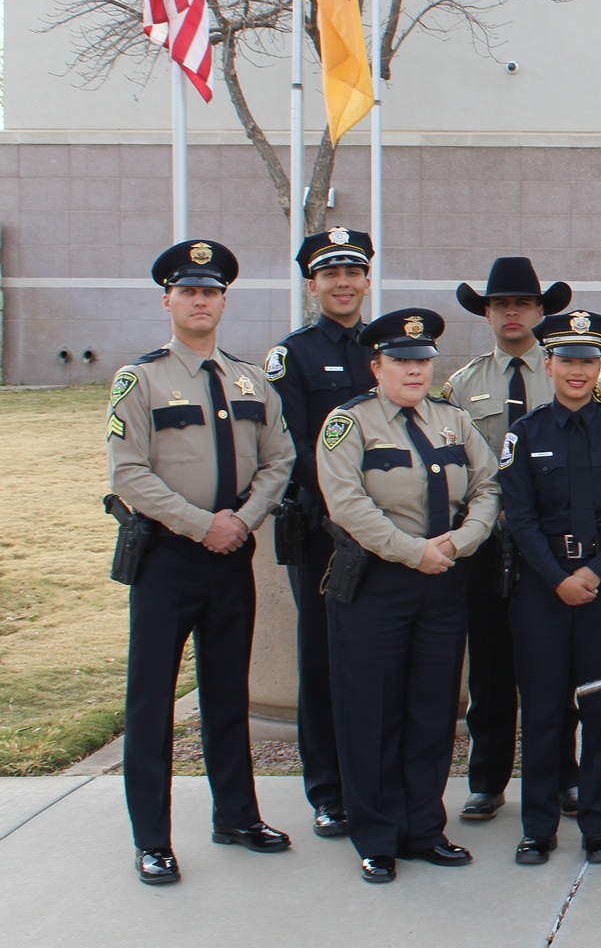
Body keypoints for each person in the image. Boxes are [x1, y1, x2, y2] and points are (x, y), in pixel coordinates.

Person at [108, 240, 295, 885]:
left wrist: (240, 522)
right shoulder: (143, 380)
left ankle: (236, 816)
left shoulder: (250, 380)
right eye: (188, 290)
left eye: (211, 291)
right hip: (166, 558)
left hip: (230, 557)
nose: (200, 300)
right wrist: (199, 524)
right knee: (151, 700)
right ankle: (152, 838)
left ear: (223, 301)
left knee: (227, 693)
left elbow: (280, 460)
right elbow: (127, 471)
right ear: (168, 300)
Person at [318, 308, 502, 884]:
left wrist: (465, 539)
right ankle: (375, 835)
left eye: (422, 360)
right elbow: (346, 504)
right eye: (400, 360)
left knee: (432, 708)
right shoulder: (350, 424)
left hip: (444, 575)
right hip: (378, 581)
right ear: (376, 366)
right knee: (371, 711)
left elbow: (488, 484)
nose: (414, 370)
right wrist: (409, 551)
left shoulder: (453, 420)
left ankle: (423, 827)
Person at [499, 310, 601, 865]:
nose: (577, 371)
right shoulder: (525, 434)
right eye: (566, 360)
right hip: (543, 591)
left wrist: (594, 573)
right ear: (548, 365)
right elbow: (518, 518)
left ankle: (597, 826)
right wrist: (559, 578)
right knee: (542, 712)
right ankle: (538, 828)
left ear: (599, 367)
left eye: (587, 361)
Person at [440, 257, 573, 823]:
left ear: (543, 312)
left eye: (523, 303)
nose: (512, 312)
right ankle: (488, 779)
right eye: (501, 305)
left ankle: (563, 775)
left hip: (551, 543)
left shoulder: (567, 371)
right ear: (488, 314)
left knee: (558, 669)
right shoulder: (461, 385)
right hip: (488, 543)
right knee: (490, 667)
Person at [266, 225, 377, 842]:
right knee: (324, 658)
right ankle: (328, 791)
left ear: (366, 280)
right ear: (313, 284)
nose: (342, 283)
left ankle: (372, 777)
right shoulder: (296, 355)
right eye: (329, 273)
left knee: (375, 658)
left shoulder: (386, 347)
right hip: (324, 532)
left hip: (385, 530)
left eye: (352, 271)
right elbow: (294, 445)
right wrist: (354, 507)